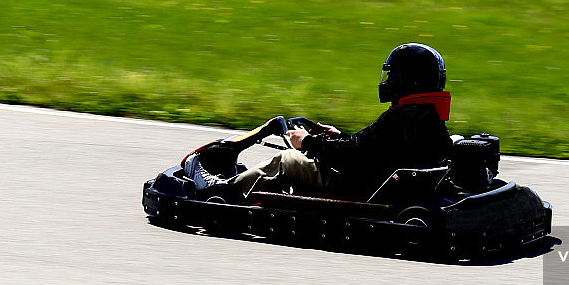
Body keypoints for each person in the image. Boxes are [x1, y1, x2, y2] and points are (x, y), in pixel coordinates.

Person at [185, 42, 453, 200]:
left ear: (409, 79)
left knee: (287, 161)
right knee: (298, 158)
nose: (388, 81)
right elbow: (373, 147)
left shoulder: (402, 117)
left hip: (357, 186)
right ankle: (252, 188)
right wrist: (338, 137)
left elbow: (356, 155)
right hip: (376, 179)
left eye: (393, 75)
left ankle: (221, 194)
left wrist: (308, 142)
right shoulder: (427, 116)